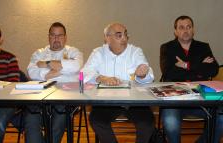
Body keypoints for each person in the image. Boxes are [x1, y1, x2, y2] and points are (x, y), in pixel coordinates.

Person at [82, 22, 155, 143]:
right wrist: (101, 78)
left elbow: (149, 76)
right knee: (96, 120)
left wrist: (143, 75)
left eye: (126, 35)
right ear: (107, 38)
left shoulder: (135, 51)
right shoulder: (98, 52)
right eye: (119, 35)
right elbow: (84, 73)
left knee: (147, 123)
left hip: (134, 102)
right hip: (106, 103)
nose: (124, 39)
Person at [160, 15, 223, 143]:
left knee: (222, 118)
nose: (185, 30)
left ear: (193, 30)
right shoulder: (167, 47)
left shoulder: (203, 47)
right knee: (170, 122)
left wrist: (185, 65)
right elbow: (169, 73)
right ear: (175, 31)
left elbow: (213, 70)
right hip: (175, 97)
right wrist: (199, 67)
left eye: (189, 27)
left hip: (201, 97)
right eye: (181, 27)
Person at [26, 22, 83, 143]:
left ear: (65, 37)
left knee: (61, 116)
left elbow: (76, 66)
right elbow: (31, 72)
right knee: (30, 117)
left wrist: (46, 64)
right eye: (53, 35)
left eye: (60, 35)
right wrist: (62, 70)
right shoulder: (39, 53)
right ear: (48, 37)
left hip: (65, 97)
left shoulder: (74, 52)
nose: (56, 39)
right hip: (40, 96)